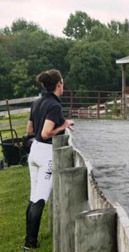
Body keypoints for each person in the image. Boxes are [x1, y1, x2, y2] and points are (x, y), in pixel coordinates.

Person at [23, 69, 74, 250]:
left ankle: (29, 240)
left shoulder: (36, 103)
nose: (63, 85)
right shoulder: (54, 106)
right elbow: (46, 133)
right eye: (63, 83)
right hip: (46, 153)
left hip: (34, 150)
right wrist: (64, 125)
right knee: (40, 199)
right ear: (58, 84)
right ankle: (29, 243)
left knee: (33, 196)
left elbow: (30, 130)